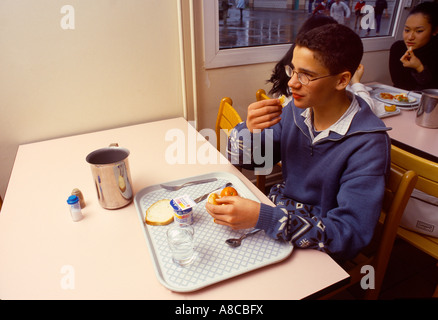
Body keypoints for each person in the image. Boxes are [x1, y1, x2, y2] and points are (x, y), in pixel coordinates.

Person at [206, 23, 391, 260]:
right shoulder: (295, 111)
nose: (292, 83)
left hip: (321, 248)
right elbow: (251, 161)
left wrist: (264, 217)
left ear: (342, 80)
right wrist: (248, 131)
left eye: (306, 75)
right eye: (292, 70)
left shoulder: (368, 145)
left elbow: (349, 234)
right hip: (280, 215)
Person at [389, 1, 438, 91]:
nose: (410, 37)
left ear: (435, 31)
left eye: (419, 31)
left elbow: (433, 95)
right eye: (407, 30)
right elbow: (399, 85)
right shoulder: (398, 48)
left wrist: (419, 68)